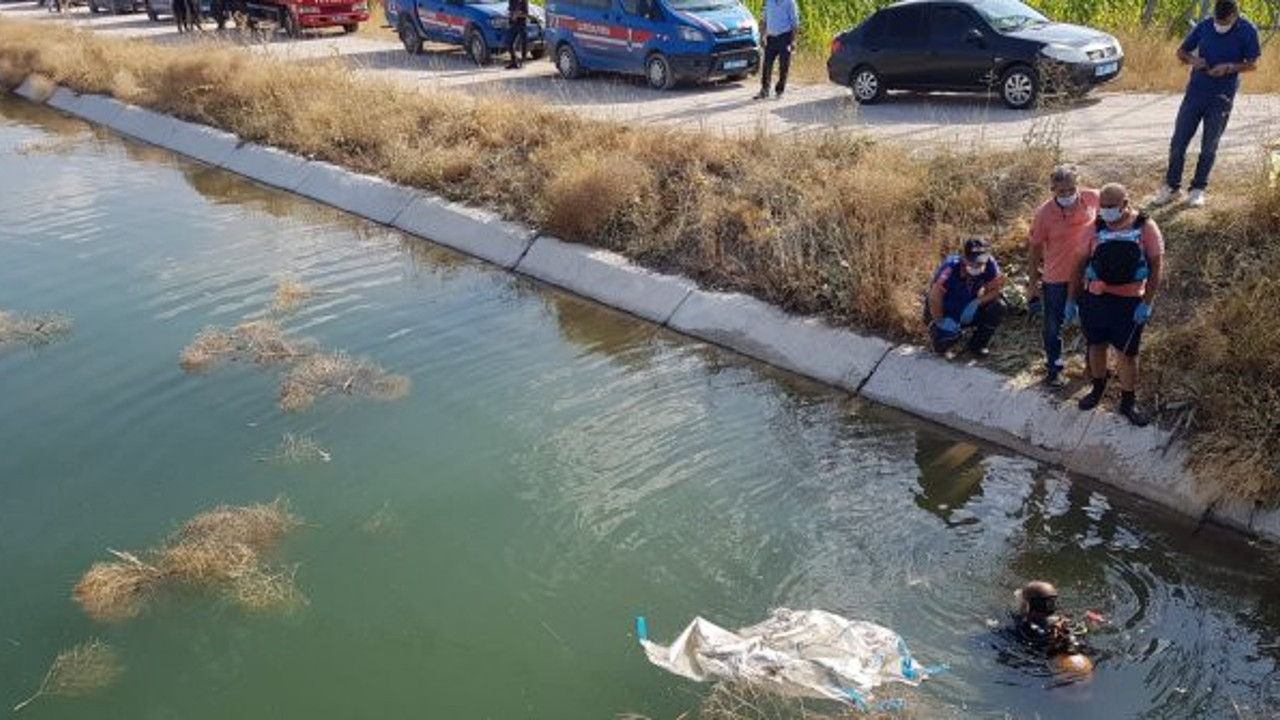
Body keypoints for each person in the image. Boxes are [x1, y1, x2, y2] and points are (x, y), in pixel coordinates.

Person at [1066, 183, 1164, 427]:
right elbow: (1078, 265)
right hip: (1096, 299)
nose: (1107, 211)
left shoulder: (1145, 227)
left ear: (1125, 204)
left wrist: (1147, 303)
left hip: (1129, 302)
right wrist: (1071, 300)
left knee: (1127, 354)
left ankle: (1128, 402)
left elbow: (1156, 267)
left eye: (1112, 206)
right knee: (1096, 346)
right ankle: (1097, 389)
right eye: (1104, 206)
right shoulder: (1094, 228)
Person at [1151, 0, 1261, 208]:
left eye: (1224, 23)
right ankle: (1171, 186)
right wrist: (1194, 61)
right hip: (1195, 92)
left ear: (1234, 16)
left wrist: (1229, 67)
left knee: (1209, 146)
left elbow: (1253, 63)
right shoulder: (1205, 25)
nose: (1219, 25)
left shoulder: (1247, 30)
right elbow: (1181, 52)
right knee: (1178, 142)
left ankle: (1198, 189)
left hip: (1222, 97)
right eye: (1216, 21)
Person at [1027, 165, 1099, 388]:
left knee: (1093, 324)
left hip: (1087, 275)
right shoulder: (1044, 214)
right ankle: (1053, 368)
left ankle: (1093, 368)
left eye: (1071, 189)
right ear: (1053, 189)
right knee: (1052, 326)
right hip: (1056, 276)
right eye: (1062, 192)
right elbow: (1035, 249)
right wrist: (1032, 283)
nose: (1068, 195)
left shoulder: (1092, 198)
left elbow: (1120, 206)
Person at [924, 238, 1007, 358]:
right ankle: (942, 336)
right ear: (964, 258)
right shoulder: (950, 268)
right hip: (942, 311)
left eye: (981, 262)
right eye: (975, 262)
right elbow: (934, 298)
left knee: (998, 307)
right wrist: (940, 322)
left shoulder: (989, 264)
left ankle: (977, 345)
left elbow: (996, 289)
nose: (979, 266)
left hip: (966, 309)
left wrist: (977, 302)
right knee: (945, 342)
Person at [754, 0, 799, 100]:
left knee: (784, 65)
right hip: (771, 38)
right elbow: (764, 20)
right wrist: (762, 37)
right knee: (767, 65)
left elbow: (795, 24)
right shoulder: (769, 2)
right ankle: (764, 90)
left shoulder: (790, 3)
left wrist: (794, 41)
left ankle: (779, 90)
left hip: (785, 38)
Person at [504, 0, 530, 70]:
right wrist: (511, 15)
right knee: (509, 43)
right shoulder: (511, 1)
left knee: (523, 43)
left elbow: (526, 14)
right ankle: (514, 61)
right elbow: (510, 10)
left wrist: (518, 15)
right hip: (512, 24)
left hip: (522, 25)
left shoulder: (524, 1)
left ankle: (523, 62)